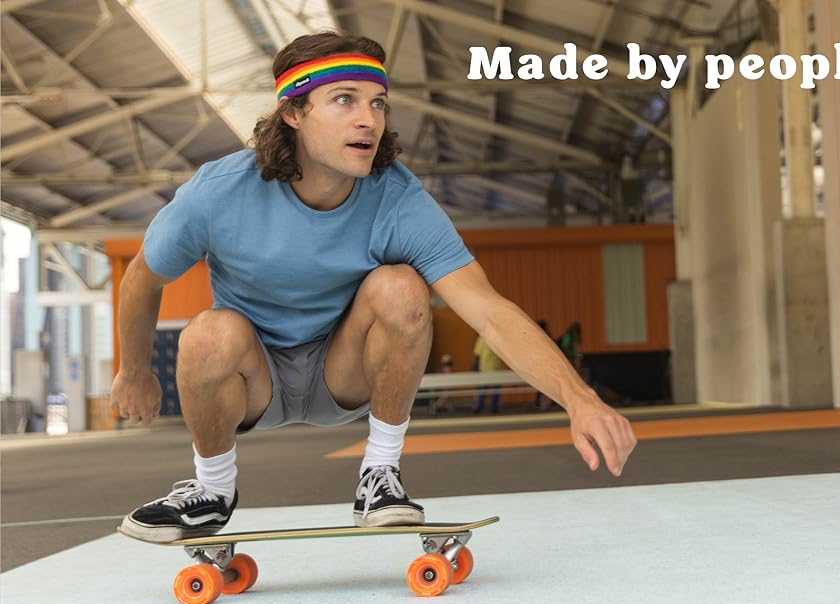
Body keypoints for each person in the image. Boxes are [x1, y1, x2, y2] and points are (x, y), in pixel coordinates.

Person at [111, 31, 636, 542]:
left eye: (379, 103)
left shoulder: (398, 199)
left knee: (401, 286)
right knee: (207, 333)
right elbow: (141, 279)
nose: (369, 119)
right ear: (294, 113)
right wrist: (134, 371)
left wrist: (579, 398)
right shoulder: (219, 193)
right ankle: (212, 491)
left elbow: (489, 311)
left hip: (345, 372)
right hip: (254, 380)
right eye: (345, 100)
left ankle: (379, 476)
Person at [471, 335, 505, 414]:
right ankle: (480, 407)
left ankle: (492, 407)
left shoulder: (497, 338)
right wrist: (474, 367)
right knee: (483, 390)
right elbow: (477, 355)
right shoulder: (482, 338)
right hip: (486, 369)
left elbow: (476, 355)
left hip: (494, 369)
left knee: (493, 390)